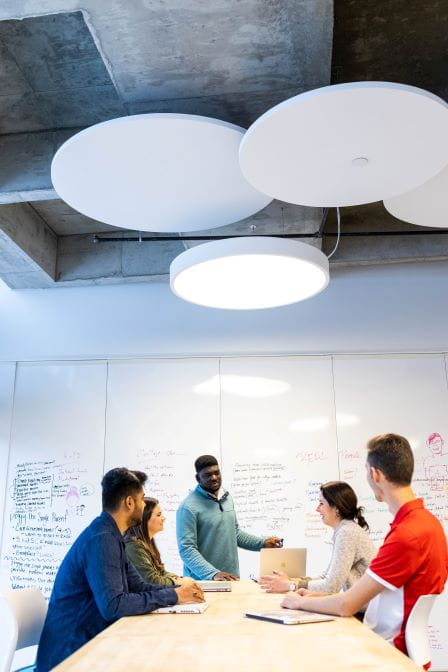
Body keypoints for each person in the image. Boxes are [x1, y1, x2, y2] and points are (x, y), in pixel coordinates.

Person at [280, 434, 448, 665]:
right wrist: (315, 596)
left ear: (375, 474)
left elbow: (346, 605)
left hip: (391, 655)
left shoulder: (407, 535)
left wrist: (297, 601)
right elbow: (363, 595)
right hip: (404, 651)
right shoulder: (427, 523)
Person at [36, 468, 204, 672]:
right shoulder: (102, 538)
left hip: (91, 643)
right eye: (142, 500)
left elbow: (139, 586)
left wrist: (178, 593)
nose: (144, 505)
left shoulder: (114, 536)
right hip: (69, 657)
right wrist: (174, 596)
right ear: (129, 503)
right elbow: (113, 606)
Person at [176, 455, 282, 580]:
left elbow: (235, 533)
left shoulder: (226, 498)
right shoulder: (188, 507)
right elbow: (187, 549)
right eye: (208, 475)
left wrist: (262, 543)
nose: (214, 478)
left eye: (217, 473)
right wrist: (212, 574)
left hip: (231, 578)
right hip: (203, 583)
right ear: (197, 478)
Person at [260, 481, 376, 595]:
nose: (317, 509)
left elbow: (331, 586)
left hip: (364, 611)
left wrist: (290, 585)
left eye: (321, 503)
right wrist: (291, 581)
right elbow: (326, 576)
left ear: (336, 508)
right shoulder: (344, 529)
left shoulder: (347, 532)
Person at [125, 497, 188, 586]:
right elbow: (151, 581)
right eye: (158, 515)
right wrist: (177, 582)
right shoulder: (133, 547)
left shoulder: (147, 542)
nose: (163, 518)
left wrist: (179, 578)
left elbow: (161, 572)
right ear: (144, 519)